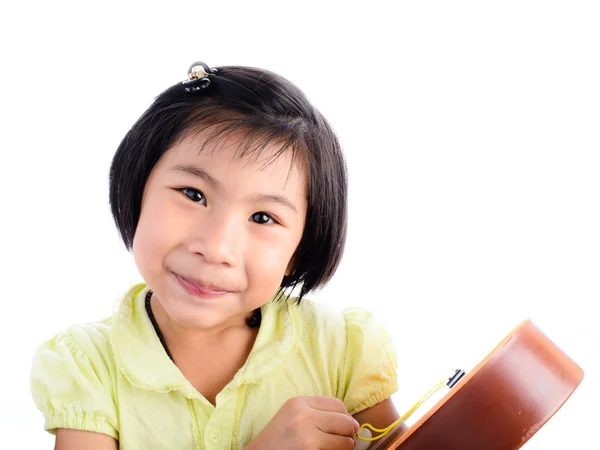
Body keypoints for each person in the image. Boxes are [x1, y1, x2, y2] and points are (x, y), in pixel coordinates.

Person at [30, 61, 400, 450]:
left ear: (299, 249)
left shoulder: (341, 349)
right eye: (193, 194)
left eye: (263, 217)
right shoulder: (87, 365)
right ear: (139, 187)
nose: (215, 247)